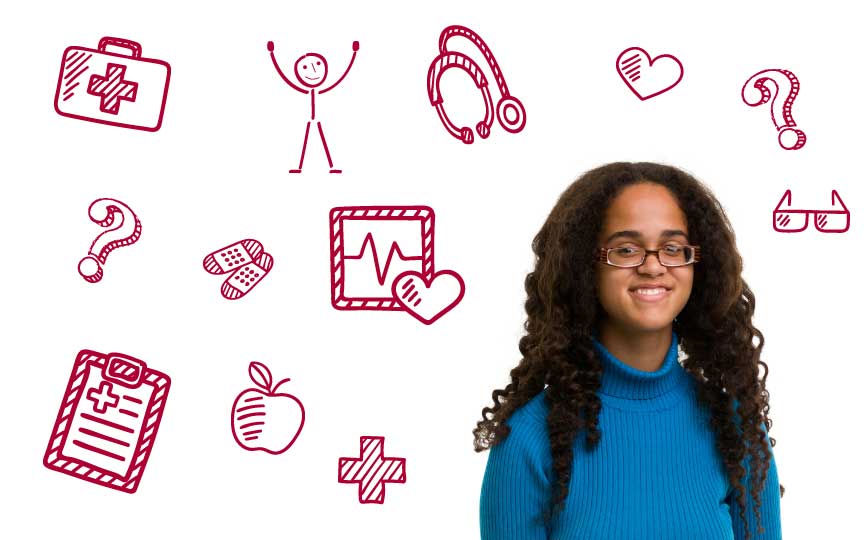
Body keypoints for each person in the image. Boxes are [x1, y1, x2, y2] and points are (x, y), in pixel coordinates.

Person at [475, 162, 784, 539]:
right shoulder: (529, 438)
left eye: (673, 248)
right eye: (626, 249)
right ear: (585, 267)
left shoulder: (736, 428)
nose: (653, 266)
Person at [267, 40, 359, 174]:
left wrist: (354, 55)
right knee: (303, 140)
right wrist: (272, 55)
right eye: (304, 68)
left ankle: (331, 166)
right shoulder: (303, 90)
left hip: (322, 117)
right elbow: (285, 77)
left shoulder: (323, 91)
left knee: (324, 139)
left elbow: (340, 78)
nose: (314, 70)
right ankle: (300, 166)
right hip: (306, 118)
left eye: (318, 64)